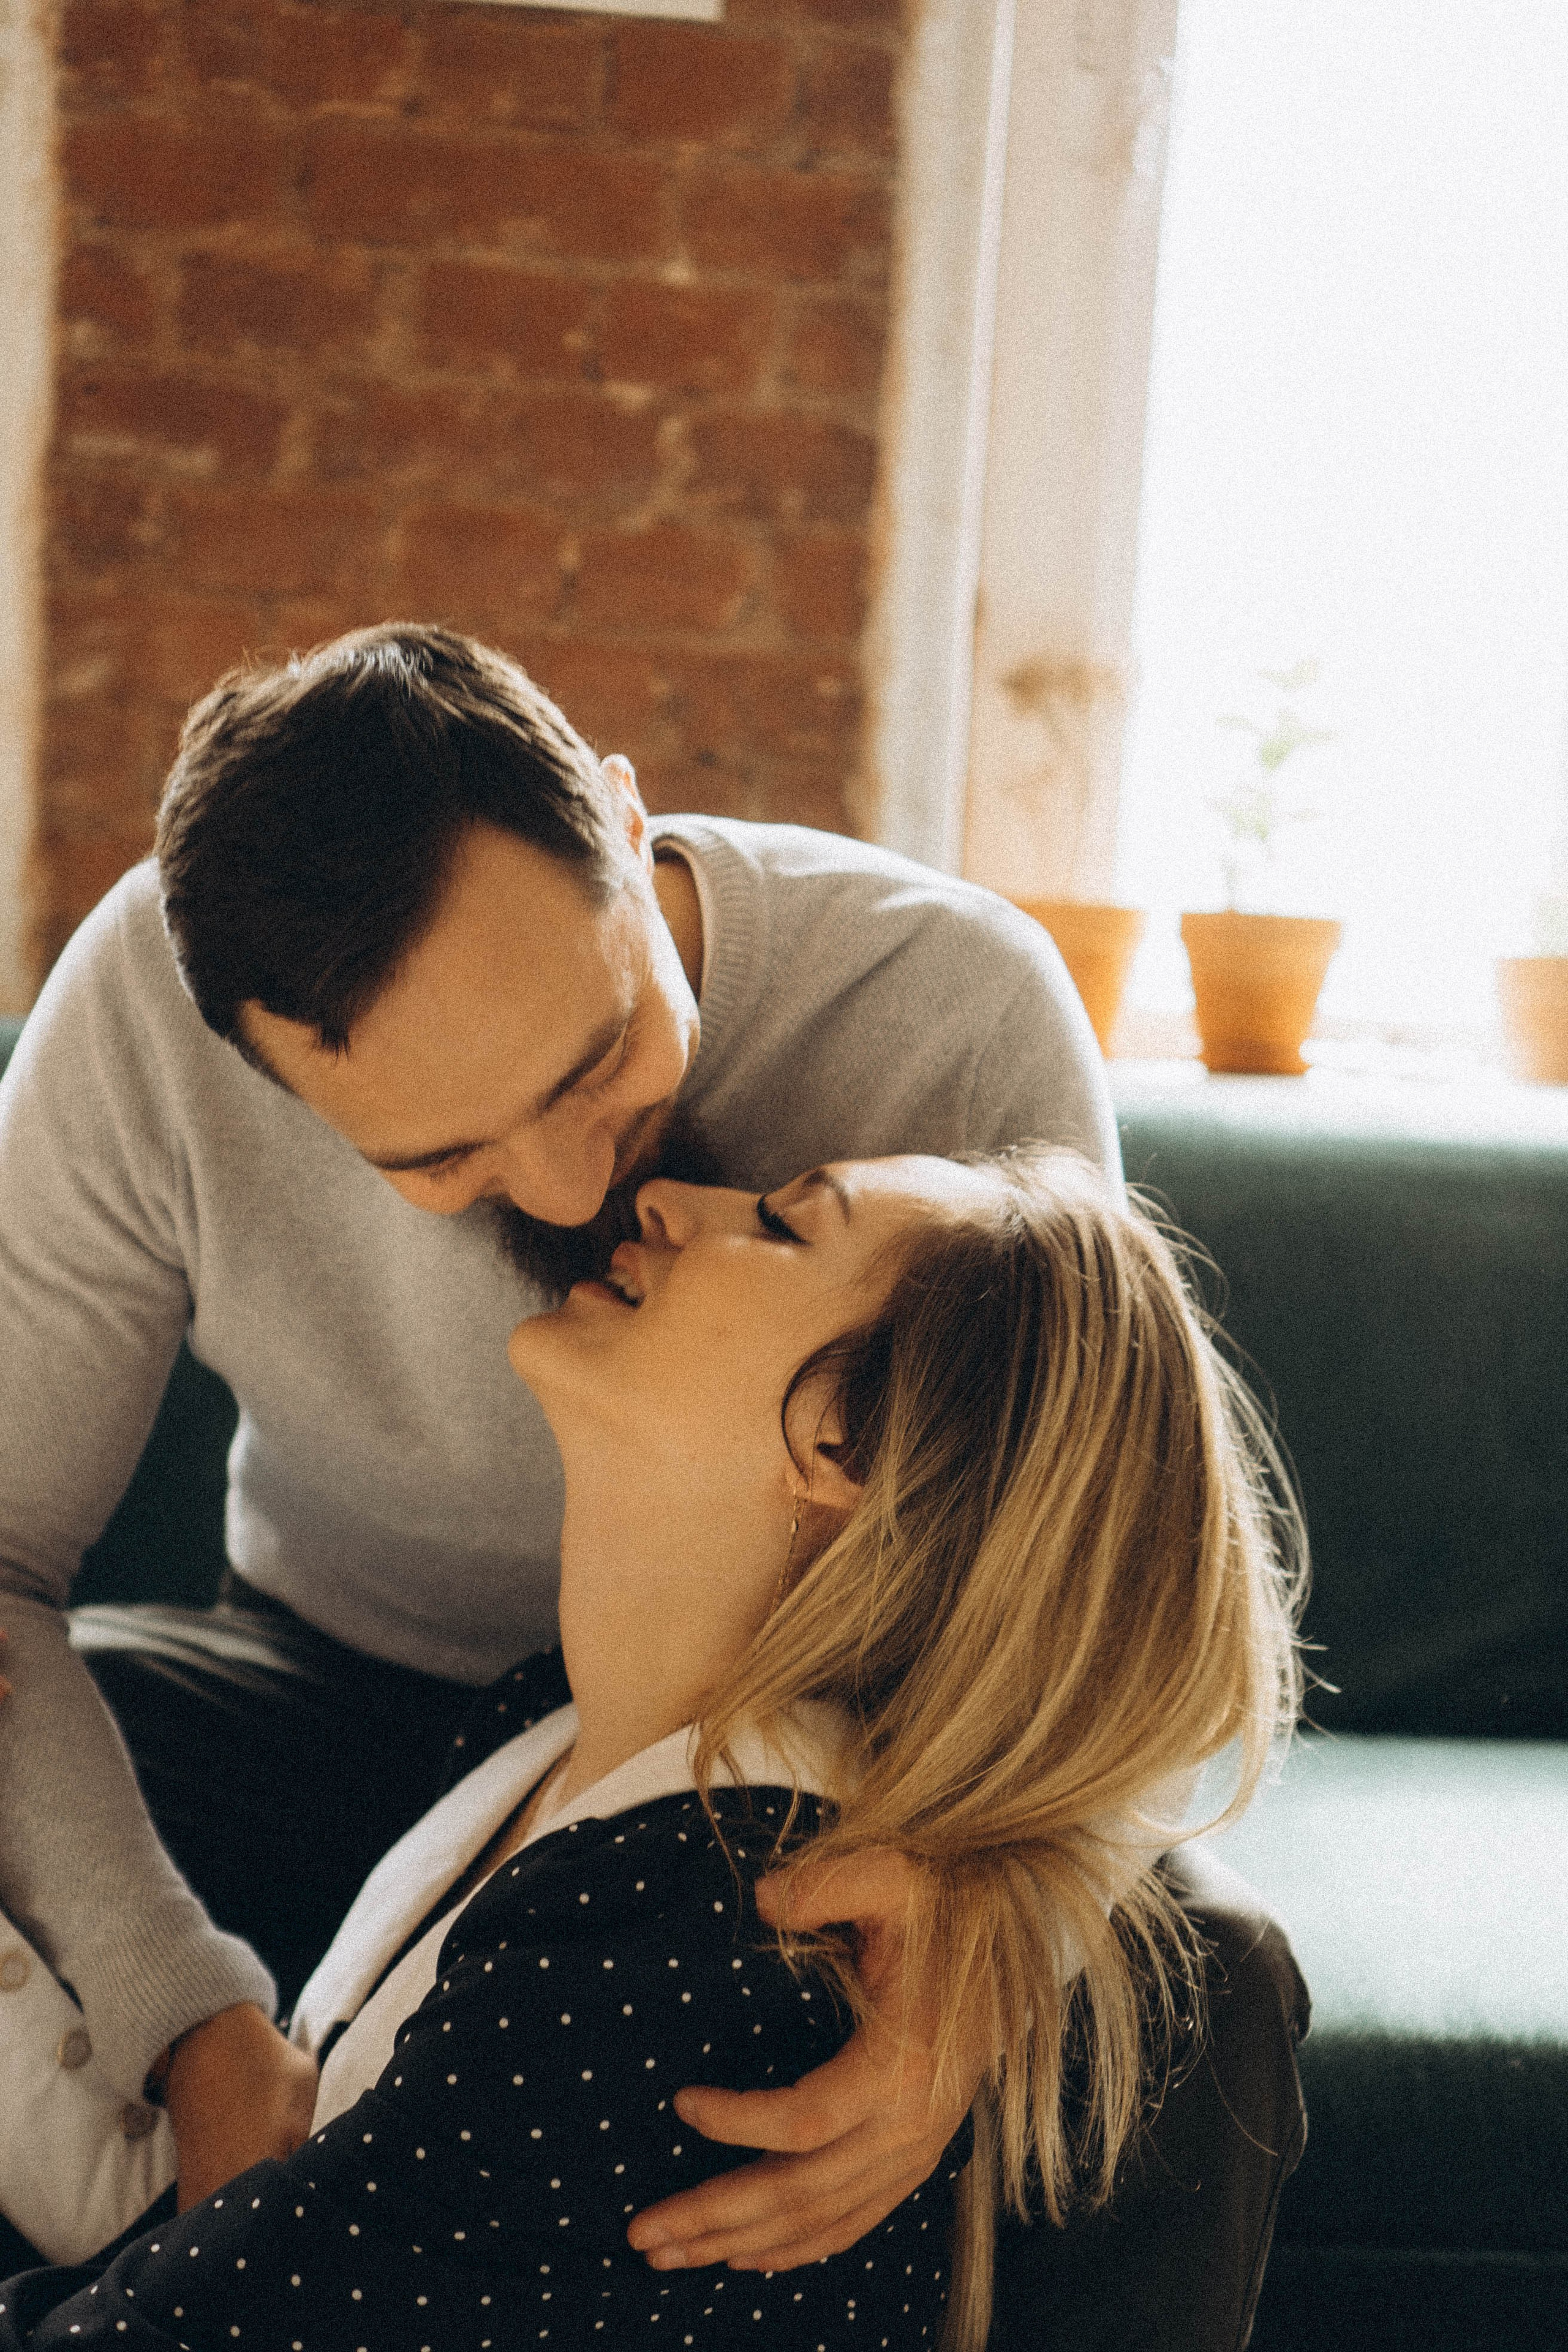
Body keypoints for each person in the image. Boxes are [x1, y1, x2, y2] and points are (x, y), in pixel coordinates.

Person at [0, 625, 1307, 2340]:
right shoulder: (152, 1015)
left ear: (626, 824)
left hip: (814, 1750)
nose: (564, 1187)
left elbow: (1090, 1540)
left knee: (1195, 1980)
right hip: (327, 1681)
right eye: (441, 1159)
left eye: (594, 1058)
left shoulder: (960, 1006)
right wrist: (190, 2020)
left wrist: (978, 1906)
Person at [0, 1142, 1303, 2348]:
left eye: (783, 1226)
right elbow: (278, 2220)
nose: (667, 1200)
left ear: (839, 1446)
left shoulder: (695, 1940)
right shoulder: (541, 1739)